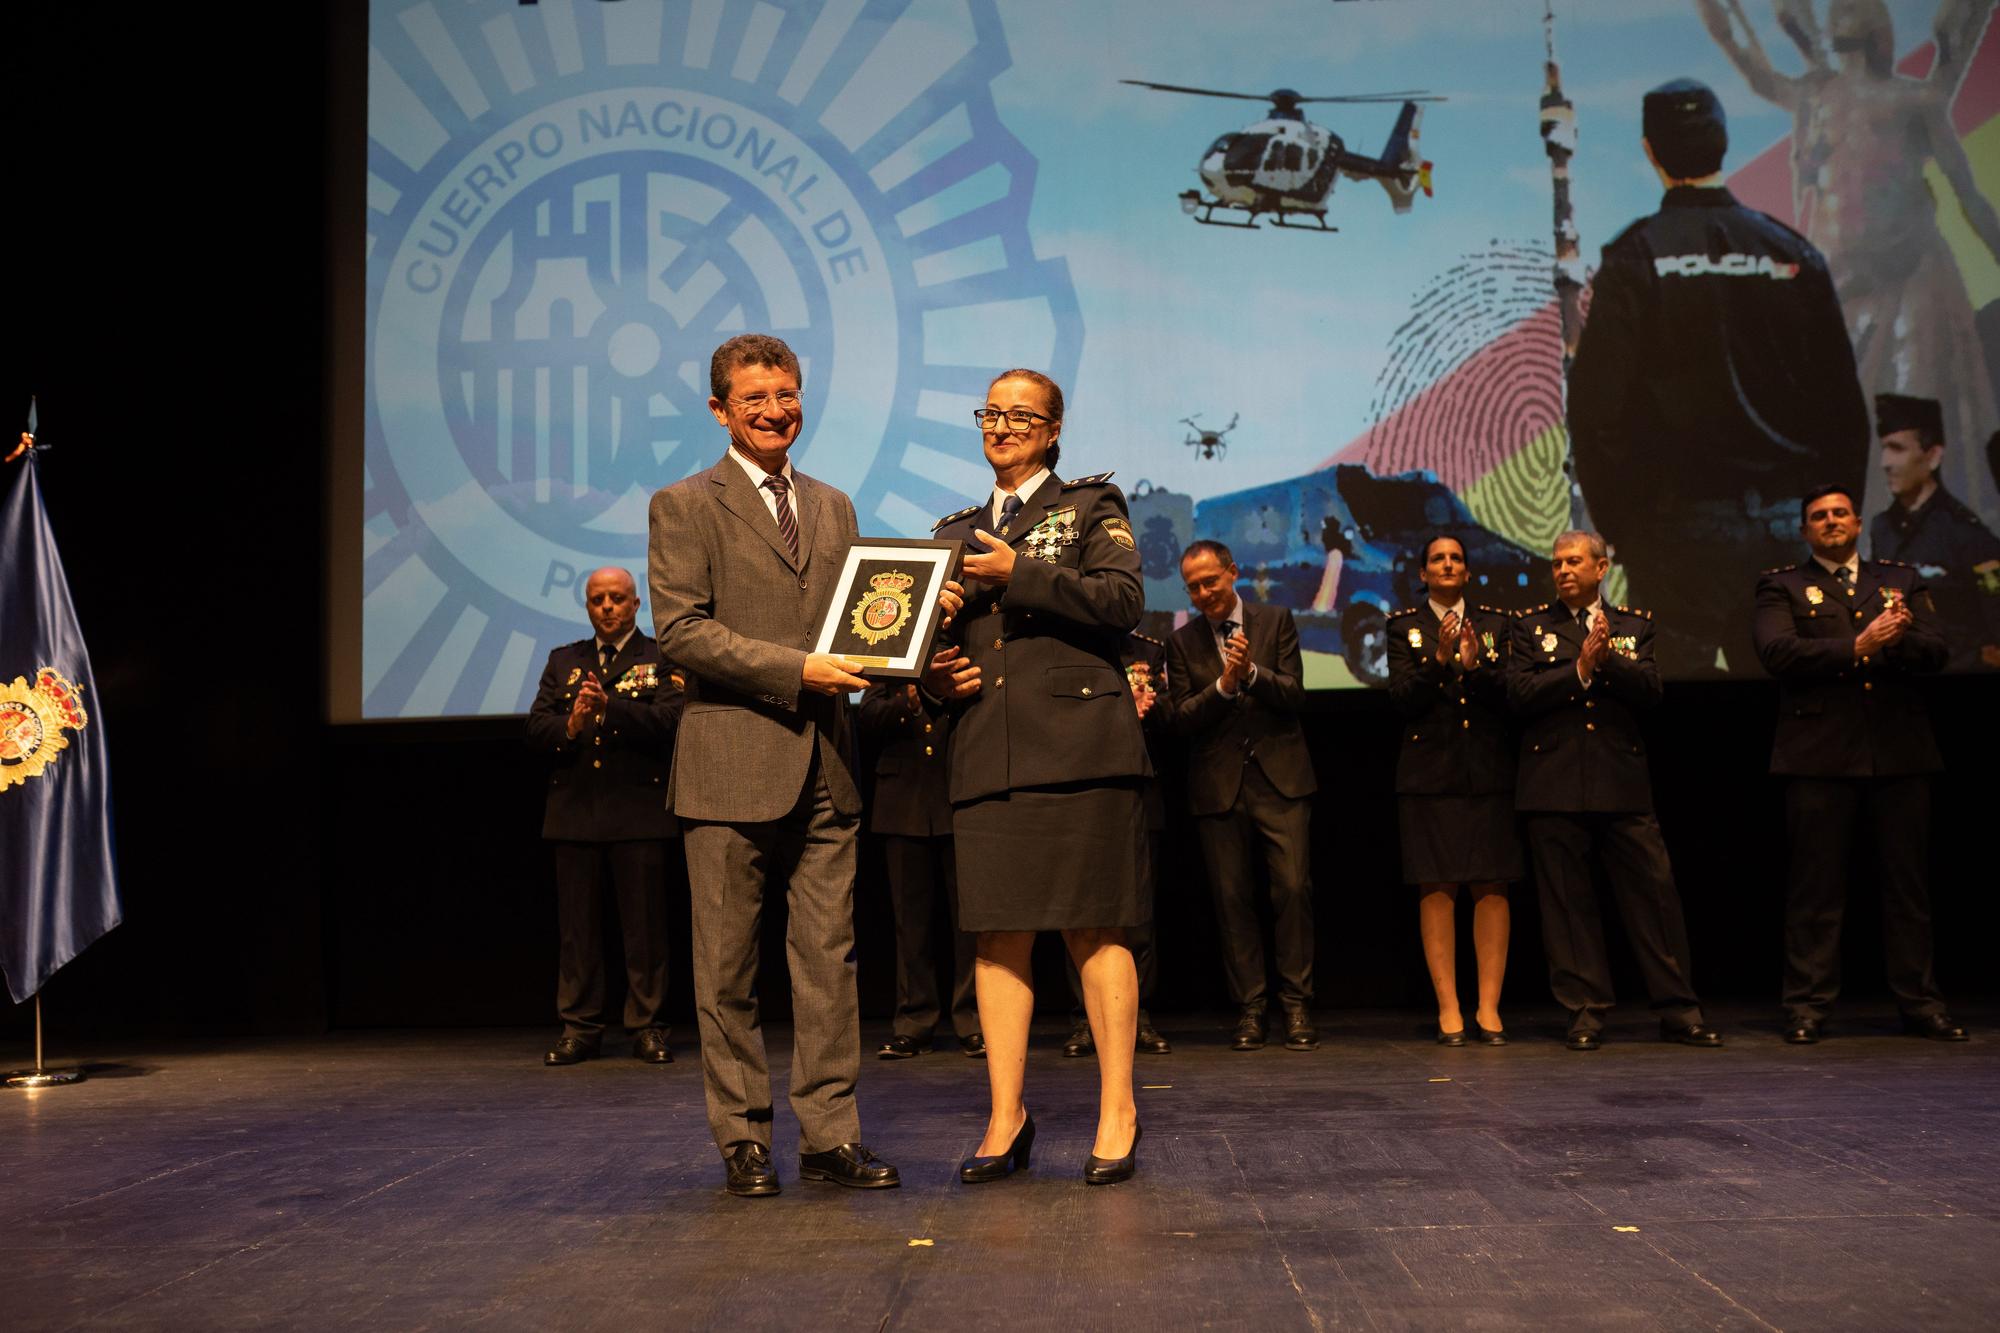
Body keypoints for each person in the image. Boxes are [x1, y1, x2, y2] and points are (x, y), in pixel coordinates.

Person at [647, 333, 900, 1198]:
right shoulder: (683, 504)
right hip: (727, 765)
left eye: (786, 393)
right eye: (754, 398)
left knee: (830, 962)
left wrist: (913, 640)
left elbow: (859, 625)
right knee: (727, 970)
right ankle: (743, 1138)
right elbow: (681, 631)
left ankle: (831, 1136)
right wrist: (797, 671)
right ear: (720, 408)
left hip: (828, 765)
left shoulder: (833, 505)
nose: (775, 410)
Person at [925, 368, 1149, 1186]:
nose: (1003, 425)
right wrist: (930, 680)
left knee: (1097, 925)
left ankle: (1117, 1107)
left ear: (1054, 430)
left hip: (1083, 745)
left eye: (1023, 415)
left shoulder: (1092, 507)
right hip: (988, 747)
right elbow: (922, 649)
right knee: (997, 935)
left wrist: (1016, 572)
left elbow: (1123, 599)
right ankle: (1005, 1114)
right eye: (992, 412)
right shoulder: (949, 529)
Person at [1567, 76, 1869, 675]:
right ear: (1725, 145)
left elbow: (1596, 415)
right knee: (1794, 717)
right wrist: (1831, 523)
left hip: (1675, 535)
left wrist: (1625, 529)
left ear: (1650, 151)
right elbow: (1844, 411)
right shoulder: (1793, 254)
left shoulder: (1633, 260)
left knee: (1684, 723)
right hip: (1787, 527)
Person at [1699, 0, 2000, 524]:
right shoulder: (1836, 98)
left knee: (1906, 422)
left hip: (1904, 282)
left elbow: (1970, 196)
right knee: (1869, 425)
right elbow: (1968, 195)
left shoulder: (1898, 100)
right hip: (1849, 288)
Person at [1753, 484, 1966, 1043]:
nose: (1830, 522)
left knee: (1908, 890)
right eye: (1819, 516)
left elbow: (1939, 650)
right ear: (1804, 530)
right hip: (1819, 758)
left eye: (1840, 513)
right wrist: (1858, 647)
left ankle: (1921, 1004)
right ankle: (1806, 1007)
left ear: (1856, 522)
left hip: (1898, 754)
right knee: (1815, 892)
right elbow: (1777, 653)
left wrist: (1895, 642)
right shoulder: (1783, 585)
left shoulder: (1898, 580)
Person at [1506, 531, 1722, 1051]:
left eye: (1574, 561)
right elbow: (1517, 694)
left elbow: (1650, 692)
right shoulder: (1530, 626)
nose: (1563, 570)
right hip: (1553, 783)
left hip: (1621, 783)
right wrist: (1579, 669)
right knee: (1568, 906)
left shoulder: (1633, 625)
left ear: (1601, 568)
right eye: (1557, 563)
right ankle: (1584, 1011)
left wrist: (1609, 662)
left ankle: (1679, 1010)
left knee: (1655, 898)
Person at [525, 568, 684, 1067]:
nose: (608, 607)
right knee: (577, 932)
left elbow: (673, 721)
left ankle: (648, 1027)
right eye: (598, 600)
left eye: (617, 599)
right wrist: (571, 724)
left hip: (638, 812)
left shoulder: (660, 657)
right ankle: (580, 1028)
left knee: (645, 930)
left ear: (637, 604)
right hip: (575, 813)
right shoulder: (563, 660)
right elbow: (536, 727)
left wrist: (609, 708)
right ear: (588, 606)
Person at [1166, 540, 1319, 1053]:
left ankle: (1296, 1006)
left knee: (1294, 891)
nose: (1204, 593)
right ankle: (1251, 1009)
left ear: (1232, 573)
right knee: (1233, 902)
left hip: (1281, 779)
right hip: (1218, 787)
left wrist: (1251, 674)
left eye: (1211, 581)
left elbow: (1296, 694)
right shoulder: (1182, 641)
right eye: (1193, 587)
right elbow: (1181, 718)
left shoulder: (1275, 621)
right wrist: (1224, 687)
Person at [1385, 536, 1519, 1047]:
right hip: (1429, 773)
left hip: (1486, 771)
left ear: (1467, 572)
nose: (1447, 564)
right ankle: (1449, 1009)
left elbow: (1510, 695)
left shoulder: (1495, 625)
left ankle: (1488, 1007)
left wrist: (1473, 666)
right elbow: (1400, 699)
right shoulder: (1404, 626)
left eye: (1456, 558)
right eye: (1438, 558)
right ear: (1423, 572)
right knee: (1437, 885)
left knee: (1492, 883)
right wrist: (1439, 660)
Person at [855, 682, 982, 1059]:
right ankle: (913, 1022)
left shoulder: (966, 640)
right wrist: (906, 703)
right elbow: (867, 716)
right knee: (909, 923)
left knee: (971, 923)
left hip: (961, 792)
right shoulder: (899, 642)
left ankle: (974, 1020)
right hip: (904, 797)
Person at [1062, 631, 1172, 1059]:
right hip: (1080, 784)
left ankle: (1139, 1018)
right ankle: (1082, 1020)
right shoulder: (1074, 643)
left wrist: (1151, 710)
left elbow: (1175, 721)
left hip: (1139, 792)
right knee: (1076, 912)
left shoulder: (1149, 650)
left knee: (1137, 915)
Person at [1866, 394, 2000, 672]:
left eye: (1897, 448)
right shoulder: (1882, 529)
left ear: (1933, 456)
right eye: (1883, 449)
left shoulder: (1966, 534)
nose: (1885, 462)